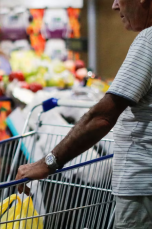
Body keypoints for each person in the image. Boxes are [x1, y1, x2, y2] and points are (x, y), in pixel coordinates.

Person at [15, 0, 152, 228]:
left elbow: (102, 116)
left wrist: (48, 162)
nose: (115, 6)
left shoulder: (148, 41)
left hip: (143, 185)